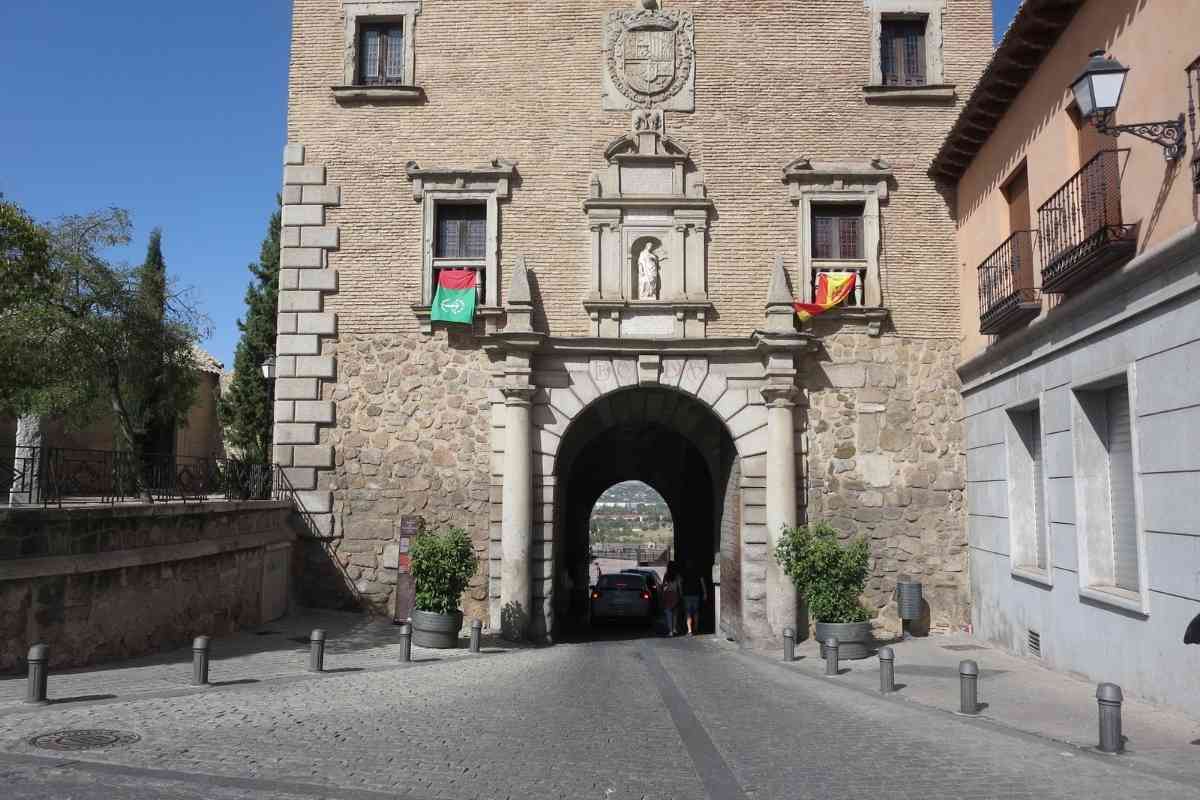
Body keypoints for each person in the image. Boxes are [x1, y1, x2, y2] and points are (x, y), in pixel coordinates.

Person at [682, 559, 708, 636]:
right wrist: (705, 593)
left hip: (687, 595)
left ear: (687, 564)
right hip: (696, 595)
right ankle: (696, 628)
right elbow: (702, 583)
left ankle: (690, 631)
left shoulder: (684, 572)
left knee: (688, 613)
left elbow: (680, 582)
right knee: (696, 612)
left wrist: (680, 593)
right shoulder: (698, 572)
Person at [660, 561, 682, 637]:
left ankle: (670, 631)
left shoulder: (666, 575)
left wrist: (663, 594)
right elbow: (679, 586)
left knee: (669, 613)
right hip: (675, 594)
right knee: (675, 613)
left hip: (668, 594)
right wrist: (681, 595)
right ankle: (675, 628)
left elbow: (663, 586)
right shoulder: (677, 576)